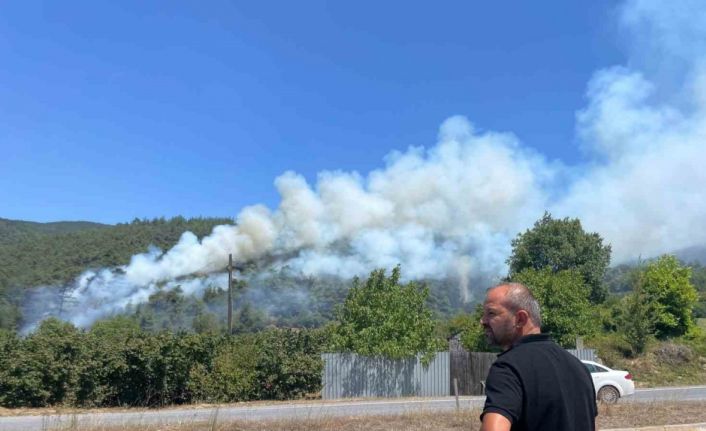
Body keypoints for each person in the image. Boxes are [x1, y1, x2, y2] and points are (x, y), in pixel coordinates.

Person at [479, 282, 597, 431]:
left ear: (520, 319)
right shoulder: (578, 367)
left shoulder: (508, 368)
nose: (482, 321)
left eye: (491, 313)